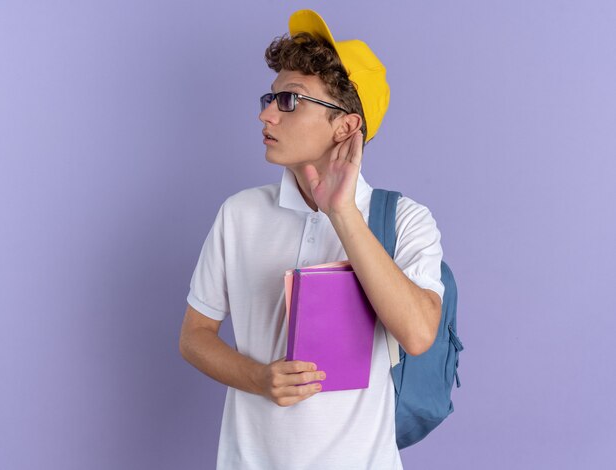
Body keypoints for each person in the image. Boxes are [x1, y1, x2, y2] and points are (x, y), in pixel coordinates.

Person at [179, 9, 445, 470]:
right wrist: (260, 378)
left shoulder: (405, 220)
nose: (265, 113)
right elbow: (194, 336)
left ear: (345, 127)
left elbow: (419, 335)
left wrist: (341, 213)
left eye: (289, 101)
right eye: (270, 97)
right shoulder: (239, 214)